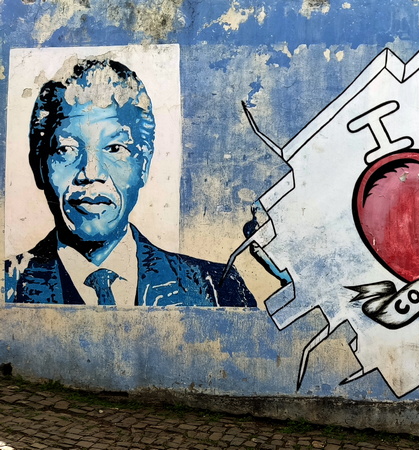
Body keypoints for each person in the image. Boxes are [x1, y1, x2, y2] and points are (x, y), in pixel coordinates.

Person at [5, 58, 256, 307]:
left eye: (115, 148)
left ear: (143, 165)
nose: (91, 172)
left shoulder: (217, 289)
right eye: (66, 149)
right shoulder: (7, 287)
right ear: (39, 167)